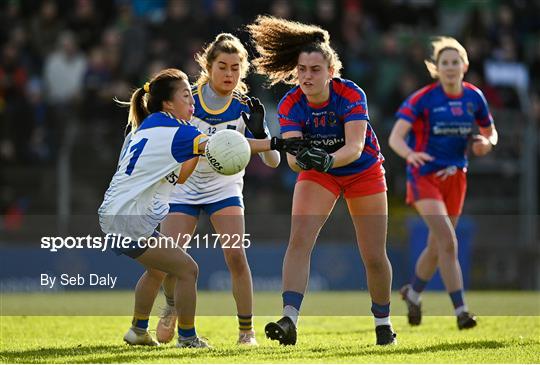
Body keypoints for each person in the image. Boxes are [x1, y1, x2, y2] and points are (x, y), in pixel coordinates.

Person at [246, 16, 397, 346]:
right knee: (299, 240)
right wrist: (305, 160)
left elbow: (355, 147)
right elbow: (291, 158)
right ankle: (289, 319)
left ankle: (383, 323)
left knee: (373, 255)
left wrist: (327, 158)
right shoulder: (290, 104)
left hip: (362, 170)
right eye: (302, 69)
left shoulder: (350, 94)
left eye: (315, 70)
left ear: (331, 72)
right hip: (320, 174)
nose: (307, 76)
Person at [151, 33, 309, 346]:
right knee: (170, 260)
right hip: (184, 187)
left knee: (236, 256)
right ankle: (170, 306)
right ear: (208, 67)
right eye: (222, 66)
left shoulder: (244, 106)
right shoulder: (188, 99)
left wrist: (260, 129)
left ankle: (246, 333)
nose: (229, 73)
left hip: (224, 189)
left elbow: (275, 160)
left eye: (236, 68)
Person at [388, 37, 498, 330]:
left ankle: (413, 293)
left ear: (464, 66)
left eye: (454, 62)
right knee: (448, 240)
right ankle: (462, 311)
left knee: (437, 246)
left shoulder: (474, 97)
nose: (449, 67)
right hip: (424, 176)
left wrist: (486, 143)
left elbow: (490, 132)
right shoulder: (423, 98)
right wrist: (410, 154)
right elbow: (395, 138)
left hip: (456, 177)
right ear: (435, 68)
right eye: (444, 63)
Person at [98, 68, 211, 348]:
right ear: (168, 103)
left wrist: (194, 151)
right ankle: (187, 338)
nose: (192, 101)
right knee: (188, 270)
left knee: (158, 271)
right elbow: (226, 146)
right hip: (131, 220)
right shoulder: (179, 131)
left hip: (115, 215)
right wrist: (273, 143)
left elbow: (181, 175)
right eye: (186, 95)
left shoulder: (144, 129)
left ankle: (138, 330)